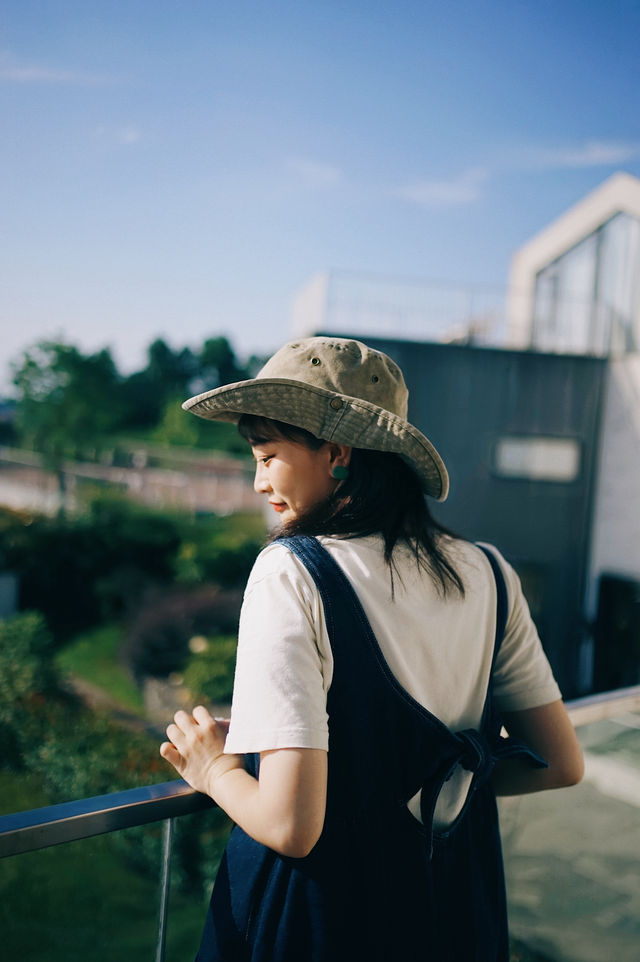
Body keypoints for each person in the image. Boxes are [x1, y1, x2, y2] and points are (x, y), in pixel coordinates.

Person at [160, 336, 584, 962]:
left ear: (336, 453)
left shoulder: (292, 572)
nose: (257, 482)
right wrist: (436, 790)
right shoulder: (489, 571)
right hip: (456, 908)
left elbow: (290, 827)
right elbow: (558, 763)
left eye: (268, 455)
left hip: (329, 919)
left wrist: (212, 767)